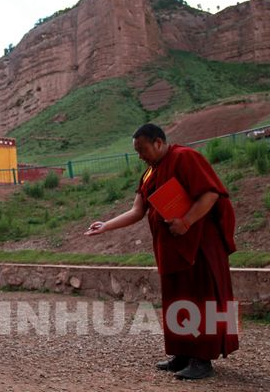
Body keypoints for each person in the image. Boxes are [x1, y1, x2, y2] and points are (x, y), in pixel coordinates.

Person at [85, 123, 239, 380]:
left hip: (199, 244)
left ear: (158, 142)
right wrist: (105, 226)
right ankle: (182, 353)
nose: (139, 156)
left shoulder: (185, 157)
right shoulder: (149, 173)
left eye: (142, 149)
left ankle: (202, 360)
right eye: (136, 151)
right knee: (177, 298)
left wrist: (187, 221)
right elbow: (137, 210)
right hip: (171, 247)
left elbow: (211, 194)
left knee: (202, 297)